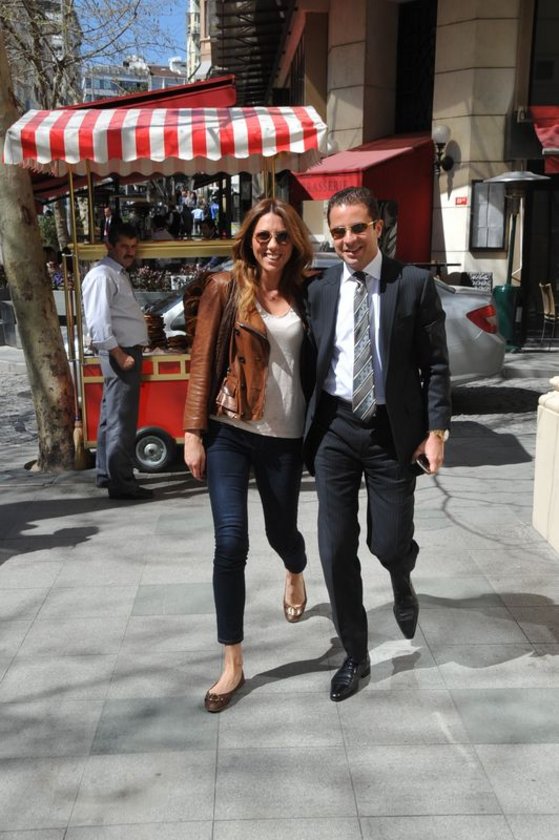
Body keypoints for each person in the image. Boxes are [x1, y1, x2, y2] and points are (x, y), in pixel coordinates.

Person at [304, 186, 451, 702]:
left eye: (357, 228)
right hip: (335, 428)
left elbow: (436, 365)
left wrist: (436, 431)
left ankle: (401, 572)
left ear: (378, 227)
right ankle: (356, 654)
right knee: (334, 547)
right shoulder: (319, 289)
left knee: (386, 543)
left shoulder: (412, 283)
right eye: (338, 231)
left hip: (393, 432)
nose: (347, 239)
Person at [183, 197, 314, 713]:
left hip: (285, 435)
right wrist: (193, 432)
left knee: (282, 533)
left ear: (294, 242)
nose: (272, 245)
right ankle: (232, 662)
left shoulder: (308, 290)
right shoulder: (225, 287)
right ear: (249, 240)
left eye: (281, 236)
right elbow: (201, 359)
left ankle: (295, 569)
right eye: (263, 236)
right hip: (230, 431)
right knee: (231, 542)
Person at [82, 222, 154, 501]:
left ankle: (107, 473)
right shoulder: (102, 275)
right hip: (120, 353)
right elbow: (98, 324)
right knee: (121, 421)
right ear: (109, 245)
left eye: (133, 247)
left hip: (124, 351)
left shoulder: (116, 273)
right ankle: (122, 482)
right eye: (124, 246)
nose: (129, 252)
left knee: (111, 418)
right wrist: (119, 355)